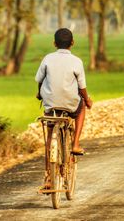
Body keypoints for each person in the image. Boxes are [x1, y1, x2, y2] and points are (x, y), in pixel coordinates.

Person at [35, 28, 92, 160]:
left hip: (50, 103)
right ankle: (76, 144)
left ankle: (49, 174)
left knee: (49, 134)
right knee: (82, 106)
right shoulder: (77, 61)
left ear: (54, 43)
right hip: (70, 103)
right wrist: (87, 100)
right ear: (72, 43)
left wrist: (39, 94)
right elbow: (82, 87)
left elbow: (40, 80)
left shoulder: (47, 58)